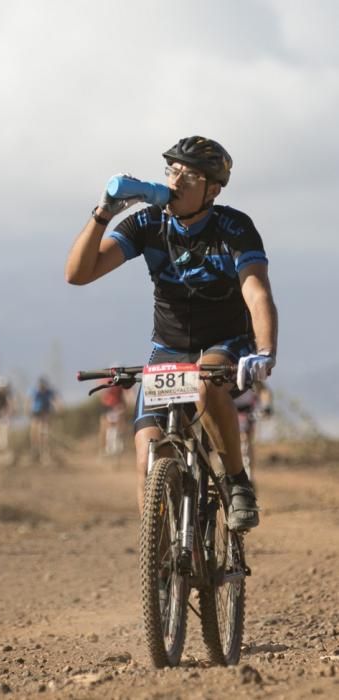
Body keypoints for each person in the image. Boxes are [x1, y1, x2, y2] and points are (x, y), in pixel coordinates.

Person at [65, 135, 278, 532]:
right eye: (172, 170)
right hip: (168, 350)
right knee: (147, 454)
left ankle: (237, 482)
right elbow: (79, 274)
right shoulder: (147, 222)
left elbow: (257, 291)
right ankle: (160, 565)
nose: (177, 181)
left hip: (225, 344)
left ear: (212, 189)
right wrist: (102, 213)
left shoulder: (234, 227)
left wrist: (264, 351)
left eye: (190, 175)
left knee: (203, 384)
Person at [234, 381, 273, 486]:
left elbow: (263, 389)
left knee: (246, 441)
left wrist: (266, 406)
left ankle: (249, 477)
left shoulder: (247, 368)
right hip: (228, 407)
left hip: (247, 411)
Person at [27, 377, 58, 462]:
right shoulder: (35, 391)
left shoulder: (49, 391)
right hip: (35, 413)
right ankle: (35, 450)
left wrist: (57, 407)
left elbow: (55, 400)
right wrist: (28, 410)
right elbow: (29, 401)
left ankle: (45, 453)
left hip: (45, 413)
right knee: (34, 432)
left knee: (44, 433)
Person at [97, 378, 127, 456]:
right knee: (105, 428)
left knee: (118, 427)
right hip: (108, 407)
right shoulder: (106, 380)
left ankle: (117, 448)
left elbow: (124, 395)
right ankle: (104, 449)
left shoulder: (121, 383)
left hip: (116, 406)